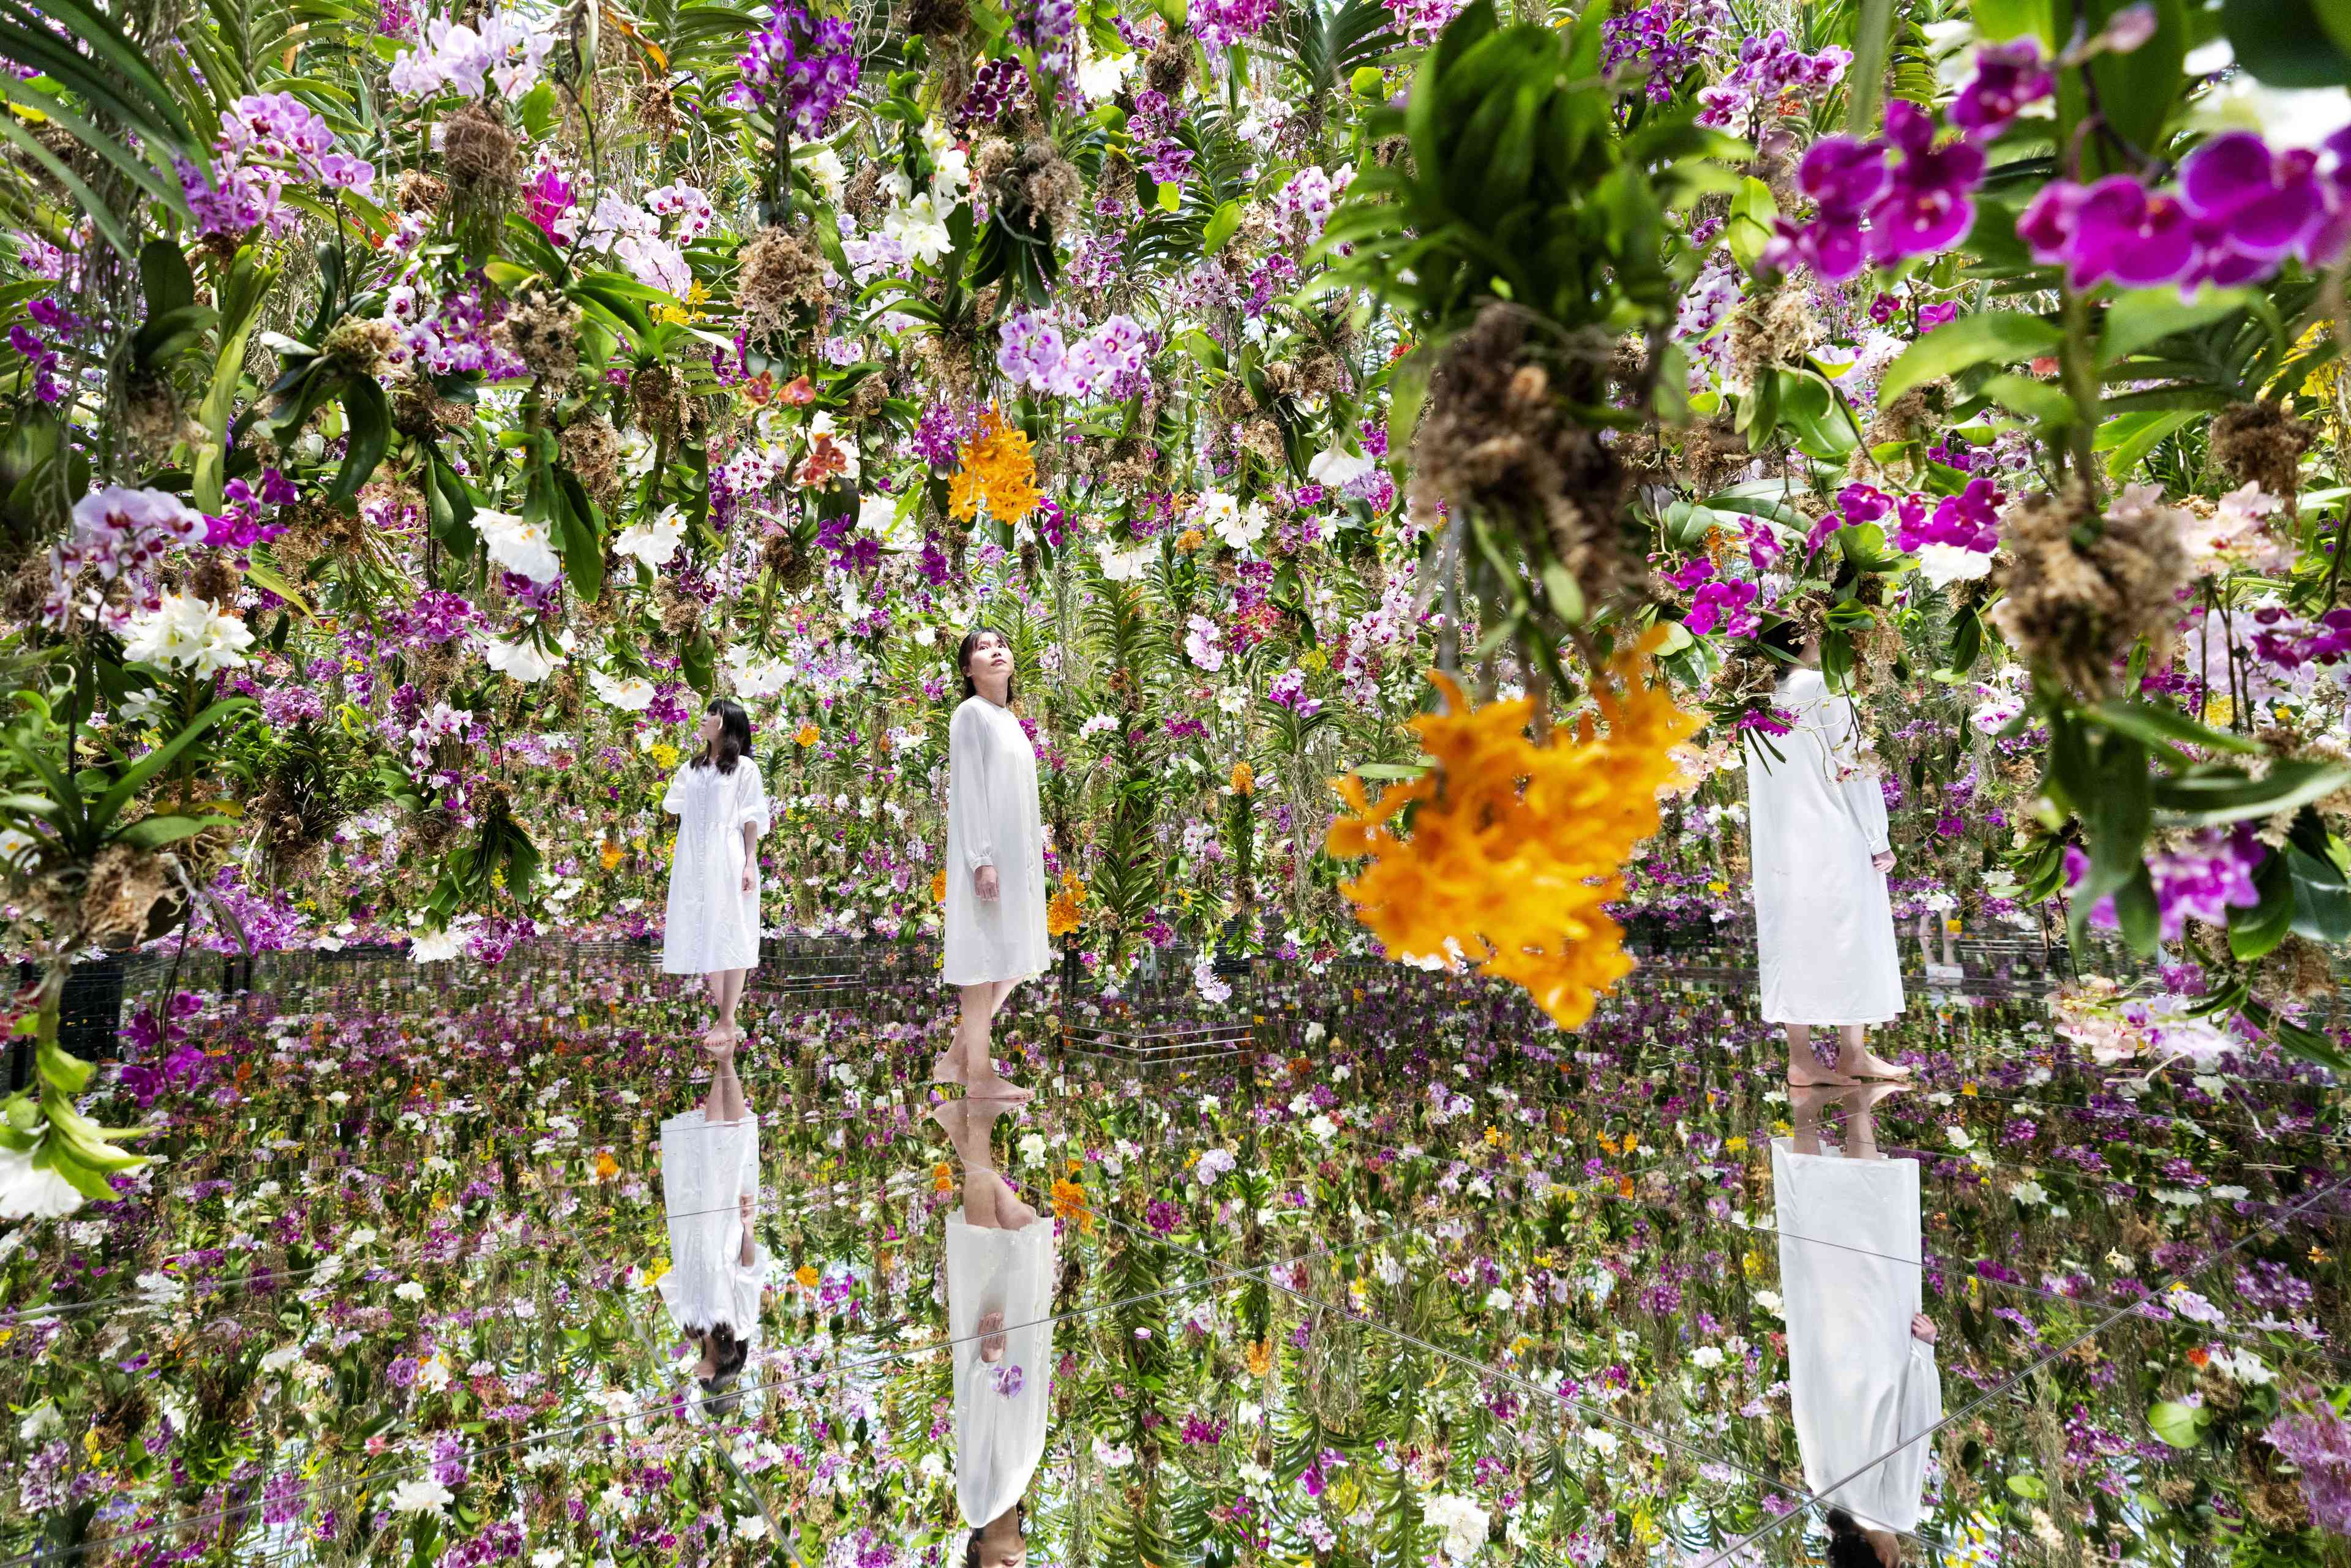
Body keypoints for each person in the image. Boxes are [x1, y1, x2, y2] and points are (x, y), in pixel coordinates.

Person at [1777, 1086, 1940, 1568]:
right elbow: (1806, 1399)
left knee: (1874, 1221)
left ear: (1886, 1562)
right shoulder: (1821, 1484)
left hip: (1882, 1346)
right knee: (1818, 1233)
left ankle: (1859, 1105)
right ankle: (1807, 1100)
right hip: (1824, 1335)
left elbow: (1918, 1428)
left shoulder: (1897, 1512)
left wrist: (1925, 1352)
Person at [1744, 625, 1908, 1086]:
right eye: (1810, 630)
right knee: (1850, 938)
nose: (1820, 635)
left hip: (1781, 846)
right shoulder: (1820, 687)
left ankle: (1801, 1060)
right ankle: (1852, 1052)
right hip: (1835, 836)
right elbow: (1854, 762)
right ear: (1796, 641)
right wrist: (1878, 837)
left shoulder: (1755, 704)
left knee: (1792, 940)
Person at [932, 1097, 1051, 1545]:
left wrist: (986, 1362)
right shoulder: (1015, 1489)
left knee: (986, 1240)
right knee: (1014, 1230)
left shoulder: (978, 1506)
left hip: (993, 1352)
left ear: (977, 1553)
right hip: (1015, 1349)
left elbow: (977, 1430)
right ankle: (966, 1130)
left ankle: (975, 1123)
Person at [939, 629, 1049, 1100]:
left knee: (1018, 955)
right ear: (968, 669)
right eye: (982, 648)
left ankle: (956, 1055)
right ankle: (978, 1074)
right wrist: (981, 860)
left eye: (1001, 643)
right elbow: (968, 789)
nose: (996, 650)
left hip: (1015, 856)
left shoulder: (1010, 720)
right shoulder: (970, 715)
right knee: (983, 959)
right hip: (985, 859)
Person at [656, 1033, 767, 1403]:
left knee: (706, 1145)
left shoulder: (687, 1327)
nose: (696, 1380)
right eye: (705, 1385)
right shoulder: (741, 1326)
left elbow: (669, 1280)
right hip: (725, 1233)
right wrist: (749, 1227)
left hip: (690, 1232)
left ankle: (723, 1061)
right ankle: (727, 1060)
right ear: (719, 1375)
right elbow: (749, 1271)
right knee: (731, 1149)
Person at [662, 698, 769, 1051]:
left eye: (712, 714)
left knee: (731, 929)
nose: (704, 719)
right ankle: (723, 1015)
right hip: (694, 856)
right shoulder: (691, 768)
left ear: (727, 723)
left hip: (728, 854)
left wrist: (750, 863)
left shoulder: (744, 769)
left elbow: (751, 818)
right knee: (706, 928)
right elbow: (675, 806)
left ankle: (728, 1018)